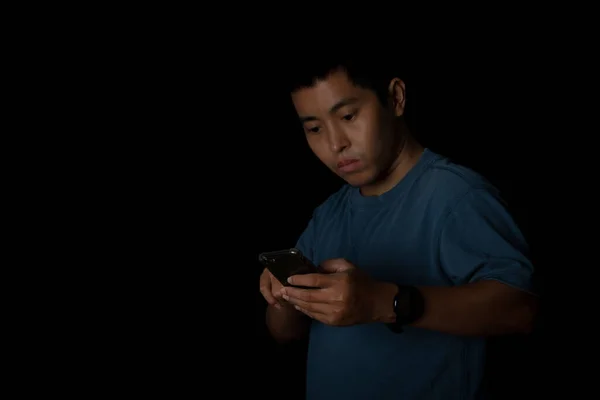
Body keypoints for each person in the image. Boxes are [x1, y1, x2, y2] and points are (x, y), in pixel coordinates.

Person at [258, 55, 538, 400]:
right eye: (314, 128)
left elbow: (521, 310)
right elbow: (285, 334)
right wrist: (285, 297)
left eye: (348, 116)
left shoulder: (456, 196)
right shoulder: (328, 214)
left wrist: (383, 301)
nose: (335, 144)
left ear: (395, 98)